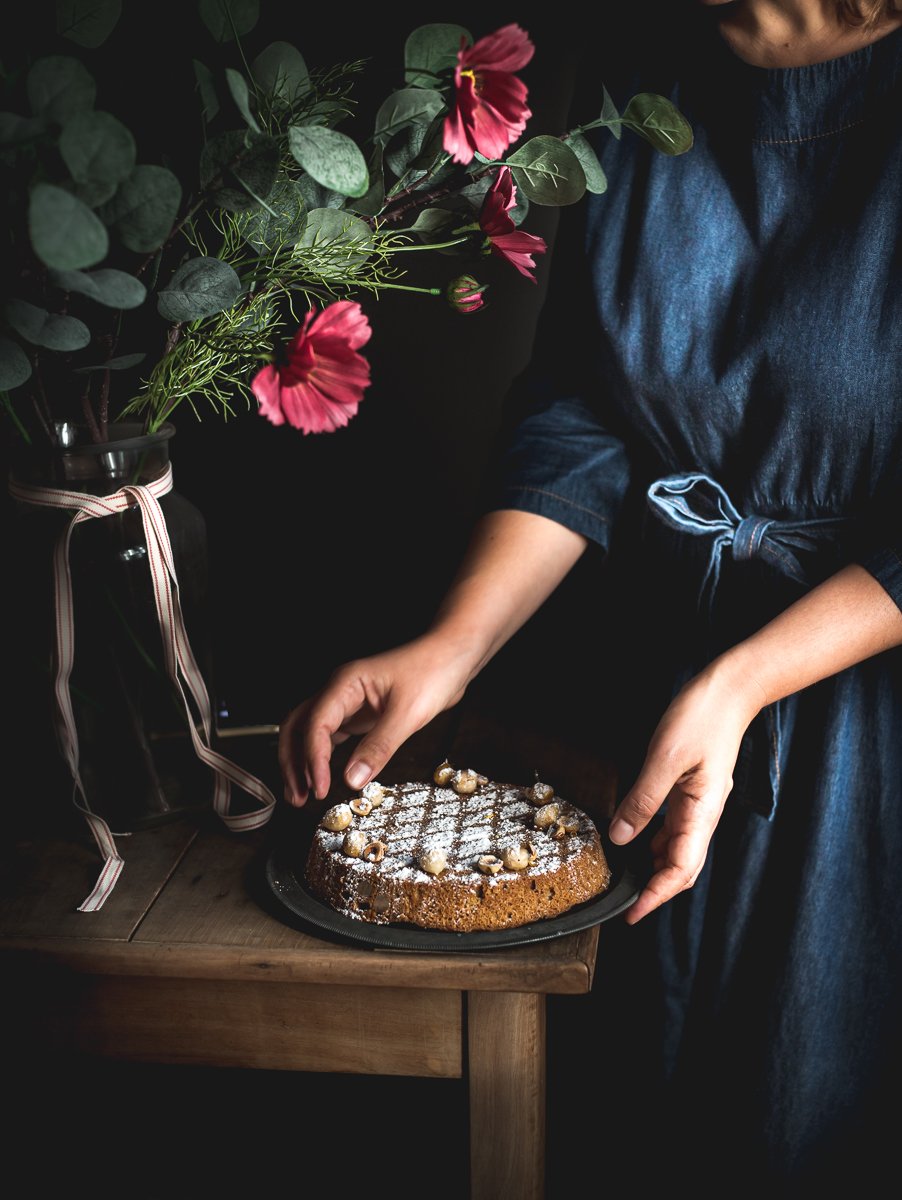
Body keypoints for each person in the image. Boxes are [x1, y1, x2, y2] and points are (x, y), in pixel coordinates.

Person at [278, 0, 902, 1188]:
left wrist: (743, 683)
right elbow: (585, 408)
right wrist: (456, 644)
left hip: (863, 735)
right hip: (638, 701)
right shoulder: (632, 62)